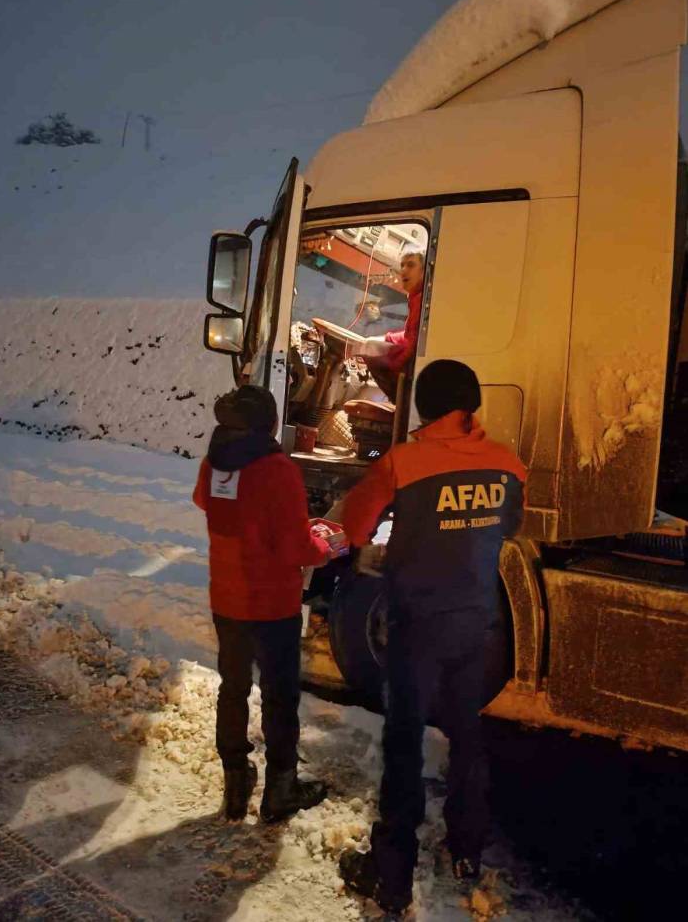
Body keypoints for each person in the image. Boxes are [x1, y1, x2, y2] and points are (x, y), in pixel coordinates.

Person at [338, 359, 527, 914]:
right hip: (476, 622)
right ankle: (466, 848)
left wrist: (378, 548)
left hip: (416, 625)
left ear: (422, 405)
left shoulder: (404, 461)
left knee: (405, 742)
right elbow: (508, 526)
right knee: (467, 735)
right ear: (472, 404)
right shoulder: (507, 465)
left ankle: (392, 877)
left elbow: (354, 524)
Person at [193, 384, 334, 822]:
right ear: (269, 423)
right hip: (273, 605)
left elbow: (207, 501)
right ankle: (280, 791)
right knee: (279, 696)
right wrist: (326, 546)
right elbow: (297, 548)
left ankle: (237, 780)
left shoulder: (213, 464)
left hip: (228, 600)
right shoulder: (277, 469)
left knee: (233, 689)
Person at [356, 246, 425, 402]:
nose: (404, 270)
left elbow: (414, 345)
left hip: (410, 372)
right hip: (408, 356)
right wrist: (388, 338)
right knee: (370, 344)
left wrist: (393, 369)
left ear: (424, 271)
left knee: (369, 348)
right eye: (402, 265)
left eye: (411, 265)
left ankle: (399, 402)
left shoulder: (423, 299)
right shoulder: (415, 296)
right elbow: (410, 333)